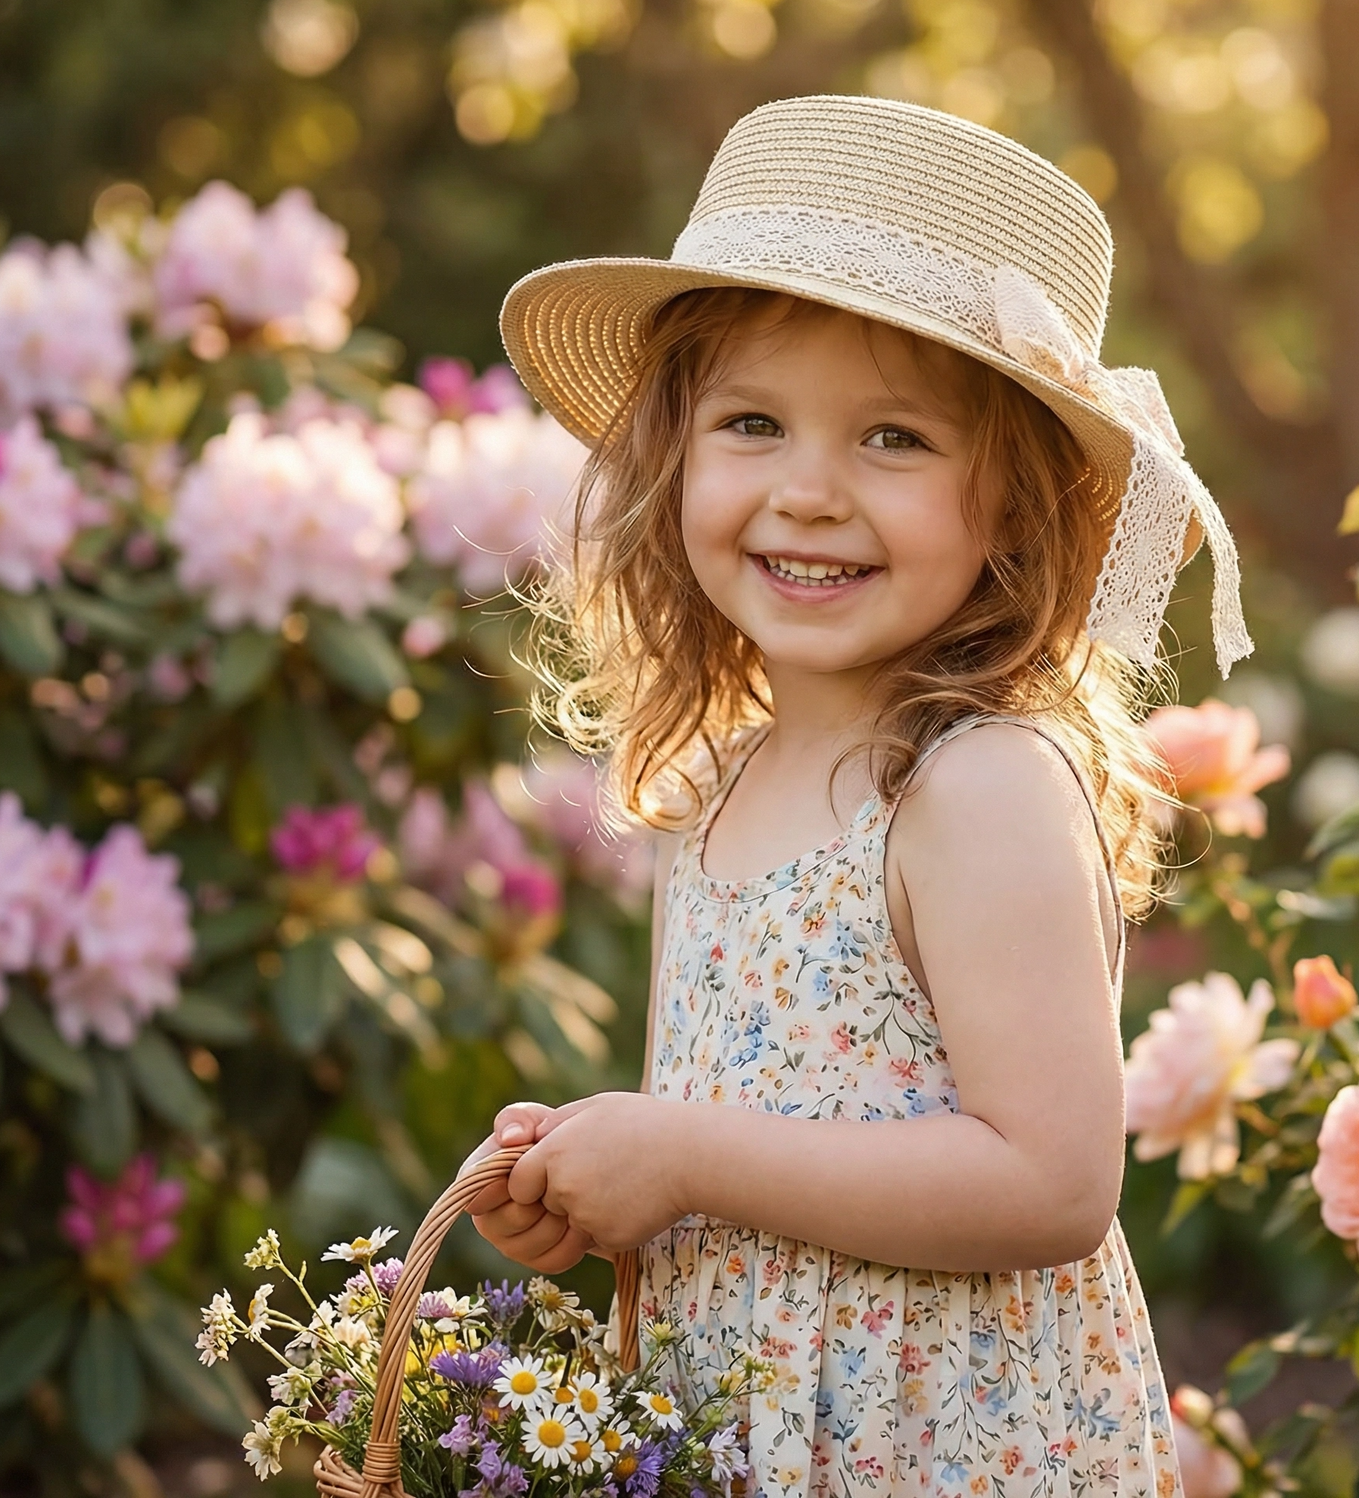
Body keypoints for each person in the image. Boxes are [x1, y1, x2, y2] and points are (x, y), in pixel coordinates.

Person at [467, 94, 1252, 1498]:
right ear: (674, 455)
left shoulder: (979, 784)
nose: (811, 492)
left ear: (1013, 504)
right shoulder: (718, 789)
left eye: (894, 438)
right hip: (759, 1436)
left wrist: (687, 1156)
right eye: (753, 423)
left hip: (947, 1447)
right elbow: (733, 1134)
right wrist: (597, 1177)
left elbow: (1053, 1185)